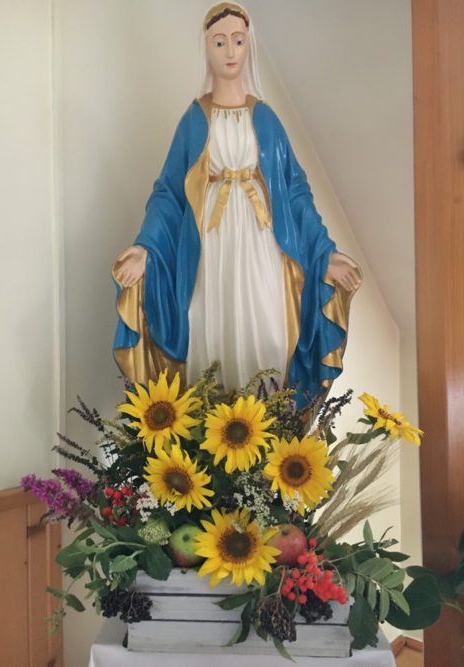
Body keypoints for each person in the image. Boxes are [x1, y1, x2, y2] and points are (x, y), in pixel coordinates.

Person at [112, 2, 362, 409]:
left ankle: (270, 423)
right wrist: (145, 248)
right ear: (206, 48)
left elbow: (295, 191)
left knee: (269, 329)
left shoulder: (266, 119)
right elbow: (169, 194)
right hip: (211, 247)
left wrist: (325, 252)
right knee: (210, 330)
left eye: (238, 41)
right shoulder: (195, 119)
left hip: (262, 243)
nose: (230, 51)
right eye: (220, 42)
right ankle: (214, 434)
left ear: (249, 46)